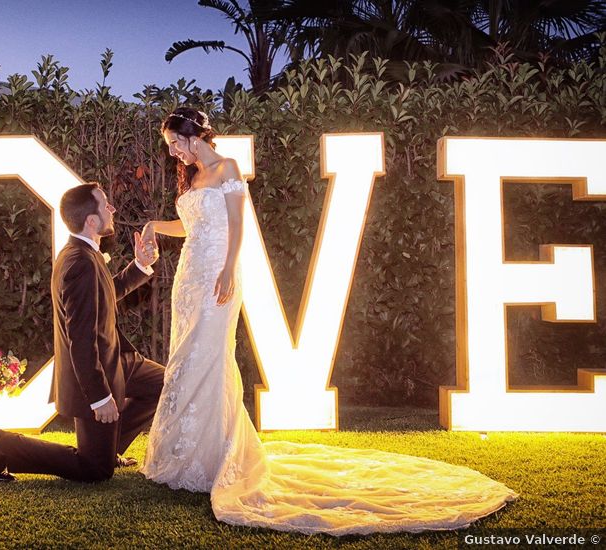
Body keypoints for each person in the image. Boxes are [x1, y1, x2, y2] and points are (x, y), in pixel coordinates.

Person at [139, 107, 518, 535]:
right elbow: (192, 227)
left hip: (219, 277)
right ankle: (187, 456)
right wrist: (155, 225)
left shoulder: (227, 167)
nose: (172, 153)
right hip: (190, 279)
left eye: (174, 143)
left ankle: (216, 457)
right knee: (187, 358)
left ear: (192, 136)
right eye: (169, 146)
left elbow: (237, 225)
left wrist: (229, 268)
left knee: (211, 358)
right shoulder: (190, 178)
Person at [0, 182, 164, 483]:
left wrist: (140, 266)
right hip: (96, 373)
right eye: (106, 205)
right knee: (95, 470)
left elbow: (104, 294)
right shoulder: (80, 263)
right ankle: (3, 446)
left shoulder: (85, 253)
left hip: (117, 360)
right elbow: (80, 340)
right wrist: (100, 396)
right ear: (92, 221)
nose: (112, 209)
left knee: (166, 384)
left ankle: (110, 447)